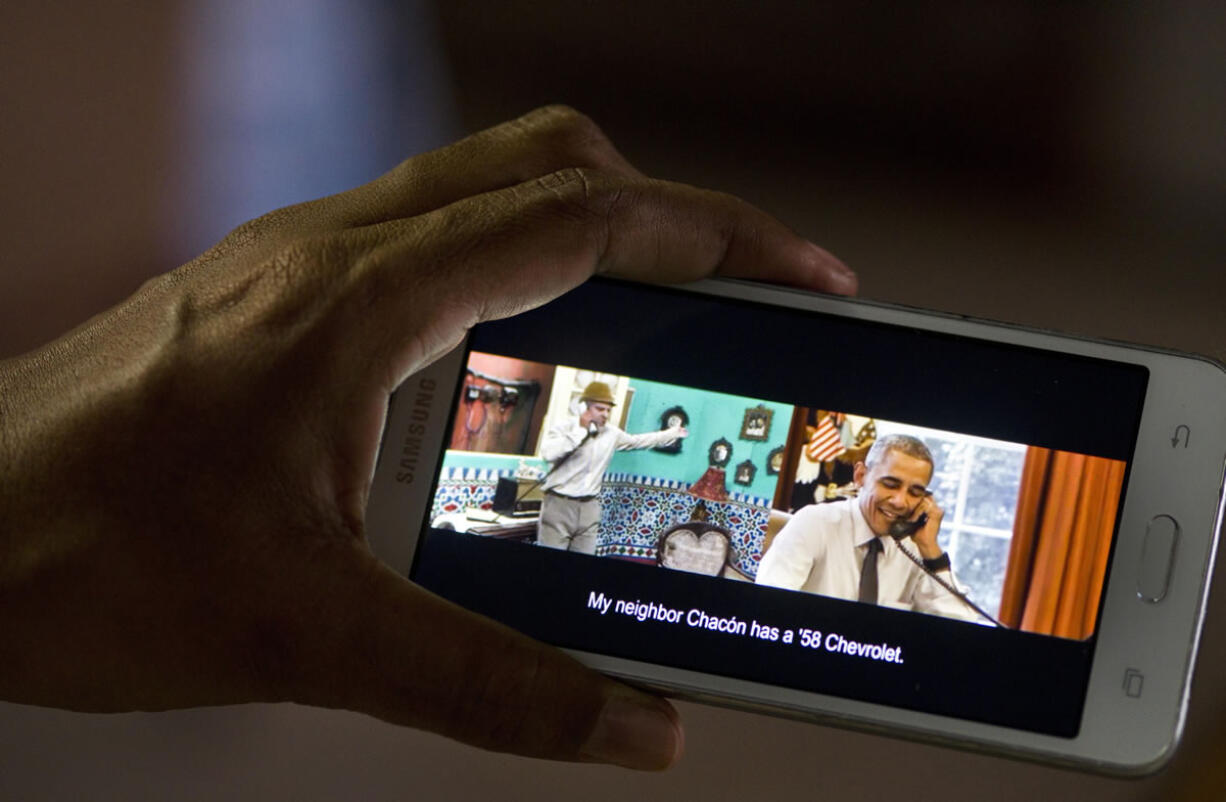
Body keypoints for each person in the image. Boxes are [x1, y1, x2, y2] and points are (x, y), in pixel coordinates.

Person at [0, 106, 856, 772]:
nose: (600, 419)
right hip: (560, 505)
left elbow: (633, 442)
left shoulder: (625, 446)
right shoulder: (577, 435)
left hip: (579, 510)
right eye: (595, 412)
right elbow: (579, 452)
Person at [757, 434, 980, 622]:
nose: (900, 501)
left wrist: (931, 550)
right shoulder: (814, 523)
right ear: (861, 476)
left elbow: (960, 627)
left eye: (915, 492)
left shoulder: (915, 549)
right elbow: (768, 607)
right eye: (890, 485)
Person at [537, 381, 686, 553]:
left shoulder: (611, 433)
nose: (605, 414)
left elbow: (638, 441)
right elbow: (549, 453)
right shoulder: (563, 428)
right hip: (559, 504)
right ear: (583, 408)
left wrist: (672, 433)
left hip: (589, 507)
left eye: (608, 410)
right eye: (600, 409)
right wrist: (581, 431)